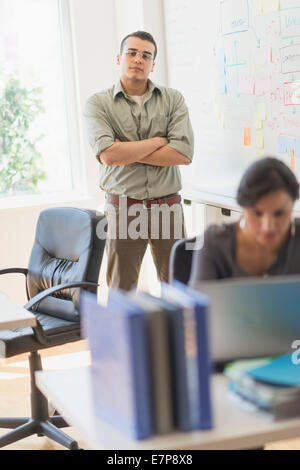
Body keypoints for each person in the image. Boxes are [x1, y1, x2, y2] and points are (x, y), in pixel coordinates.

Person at [84, 31, 194, 291]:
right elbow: (109, 155)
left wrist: (127, 149)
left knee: (180, 292)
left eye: (146, 55)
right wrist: (159, 141)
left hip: (168, 207)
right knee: (122, 294)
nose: (138, 59)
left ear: (153, 64)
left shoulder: (173, 99)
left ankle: (174, 335)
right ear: (119, 58)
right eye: (132, 53)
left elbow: (183, 154)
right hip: (123, 209)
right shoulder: (98, 103)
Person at [189, 157, 300, 284]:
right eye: (257, 213)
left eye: (279, 214)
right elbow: (200, 302)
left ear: (292, 206)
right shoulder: (215, 243)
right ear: (242, 207)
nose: (268, 227)